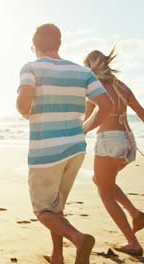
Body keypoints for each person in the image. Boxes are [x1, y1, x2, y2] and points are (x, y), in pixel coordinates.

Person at [16, 24, 113, 264]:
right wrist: (85, 128)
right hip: (75, 149)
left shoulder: (30, 68)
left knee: (42, 210)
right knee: (56, 206)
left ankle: (78, 238)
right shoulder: (82, 72)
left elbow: (22, 106)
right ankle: (57, 255)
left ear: (35, 46)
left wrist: (28, 110)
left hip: (46, 151)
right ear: (58, 44)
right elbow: (107, 105)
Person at [84, 47, 144, 256]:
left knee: (104, 192)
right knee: (102, 181)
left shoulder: (95, 87)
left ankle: (133, 242)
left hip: (109, 142)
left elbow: (88, 118)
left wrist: (74, 135)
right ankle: (135, 213)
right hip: (128, 142)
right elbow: (142, 113)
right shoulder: (123, 87)